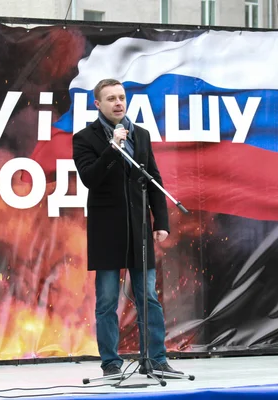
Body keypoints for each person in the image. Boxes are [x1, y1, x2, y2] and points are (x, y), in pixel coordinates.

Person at [72, 78, 182, 378]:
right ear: (98, 104)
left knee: (148, 296)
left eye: (121, 97)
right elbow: (90, 178)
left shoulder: (141, 135)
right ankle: (111, 363)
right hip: (106, 229)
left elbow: (154, 180)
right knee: (107, 299)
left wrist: (161, 222)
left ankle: (156, 359)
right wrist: (112, 147)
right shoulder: (84, 138)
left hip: (138, 228)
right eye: (111, 99)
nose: (118, 103)